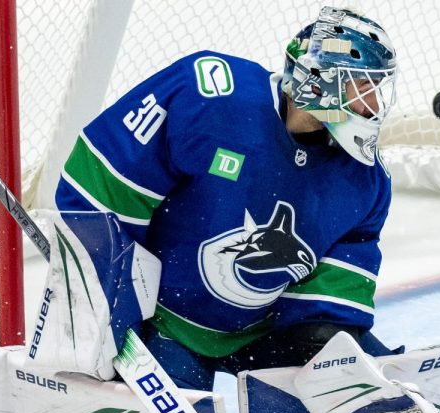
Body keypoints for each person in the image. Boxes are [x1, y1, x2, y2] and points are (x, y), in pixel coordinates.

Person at [54, 5, 398, 392]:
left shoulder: (365, 178)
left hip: (268, 332)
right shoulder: (210, 97)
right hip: (164, 325)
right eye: (362, 86)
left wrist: (327, 344)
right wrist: (106, 306)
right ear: (321, 79)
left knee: (379, 391)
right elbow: (99, 184)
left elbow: (330, 301)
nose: (373, 105)